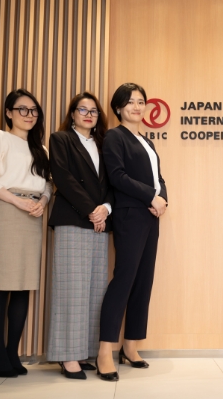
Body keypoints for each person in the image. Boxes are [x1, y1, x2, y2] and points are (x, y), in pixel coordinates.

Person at [0, 89, 52, 378]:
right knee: (1, 284)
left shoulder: (41, 149)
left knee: (24, 285)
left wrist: (42, 202)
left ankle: (11, 351)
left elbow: (47, 184)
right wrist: (18, 201)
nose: (29, 115)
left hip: (33, 216)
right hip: (7, 210)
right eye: (22, 109)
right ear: (9, 112)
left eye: (34, 111)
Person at [96, 83, 167, 382]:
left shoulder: (147, 142)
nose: (137, 107)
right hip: (129, 214)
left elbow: (158, 177)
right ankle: (104, 352)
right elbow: (117, 176)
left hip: (150, 216)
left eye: (141, 102)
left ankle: (131, 346)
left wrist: (163, 200)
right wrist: (152, 196)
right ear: (118, 107)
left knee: (143, 281)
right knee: (124, 280)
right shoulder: (114, 136)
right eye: (130, 102)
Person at [47, 92, 113, 379]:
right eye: (82, 109)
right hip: (74, 219)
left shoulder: (104, 143)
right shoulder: (61, 139)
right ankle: (67, 356)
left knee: (95, 290)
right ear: (72, 113)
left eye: (93, 111)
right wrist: (91, 210)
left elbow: (111, 181)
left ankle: (84, 351)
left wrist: (106, 209)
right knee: (71, 289)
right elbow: (62, 177)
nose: (88, 114)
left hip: (100, 221)